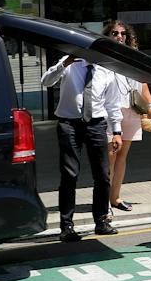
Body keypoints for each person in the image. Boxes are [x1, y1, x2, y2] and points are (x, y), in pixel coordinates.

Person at [40, 44, 125, 240]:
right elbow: (46, 81)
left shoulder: (106, 70)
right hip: (69, 123)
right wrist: (64, 64)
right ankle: (67, 226)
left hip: (96, 124)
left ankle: (101, 221)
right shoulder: (69, 63)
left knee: (102, 174)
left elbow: (112, 104)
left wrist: (117, 131)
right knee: (70, 174)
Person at [103, 20, 151, 213]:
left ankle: (115, 197)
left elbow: (143, 83)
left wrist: (150, 105)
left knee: (122, 156)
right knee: (110, 156)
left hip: (133, 110)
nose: (119, 36)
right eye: (115, 33)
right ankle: (103, 201)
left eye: (123, 33)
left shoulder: (134, 55)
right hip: (112, 111)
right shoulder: (103, 57)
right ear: (108, 35)